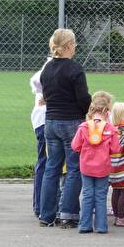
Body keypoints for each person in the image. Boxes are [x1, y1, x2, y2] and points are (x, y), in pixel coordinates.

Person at [39, 29, 91, 228]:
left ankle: (46, 214)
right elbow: (82, 97)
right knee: (74, 168)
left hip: (51, 121)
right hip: (71, 121)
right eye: (74, 44)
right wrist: (88, 108)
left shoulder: (47, 69)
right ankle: (67, 213)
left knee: (51, 167)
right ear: (69, 46)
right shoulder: (75, 69)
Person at [71, 93, 120, 234]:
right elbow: (115, 149)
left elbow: (75, 146)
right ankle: (101, 226)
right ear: (106, 111)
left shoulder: (84, 127)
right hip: (103, 167)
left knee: (87, 194)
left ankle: (85, 225)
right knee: (100, 195)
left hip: (86, 166)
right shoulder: (110, 129)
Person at [29, 57, 51, 217]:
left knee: (45, 163)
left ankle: (41, 205)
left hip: (43, 121)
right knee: (46, 164)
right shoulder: (48, 71)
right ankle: (42, 206)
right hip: (45, 121)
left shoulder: (45, 71)